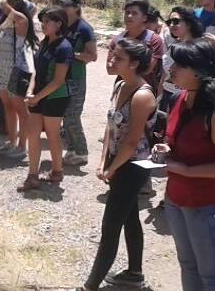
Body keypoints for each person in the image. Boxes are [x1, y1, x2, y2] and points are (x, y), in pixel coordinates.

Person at [155, 38, 215, 291]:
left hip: (208, 205)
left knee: (211, 273)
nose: (172, 69)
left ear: (198, 71)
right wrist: (166, 149)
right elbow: (180, 142)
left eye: (179, 65)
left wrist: (187, 170)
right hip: (177, 198)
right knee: (188, 265)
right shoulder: (181, 99)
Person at [81, 38, 158, 290]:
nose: (111, 60)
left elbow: (132, 140)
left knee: (111, 226)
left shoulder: (142, 96)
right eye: (113, 55)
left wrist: (112, 168)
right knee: (129, 216)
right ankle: (135, 274)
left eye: (119, 58)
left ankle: (89, 286)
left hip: (133, 165)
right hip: (118, 161)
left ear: (134, 64)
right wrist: (104, 159)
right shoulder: (121, 85)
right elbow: (111, 127)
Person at [18, 7, 75, 190]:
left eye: (47, 21)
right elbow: (35, 71)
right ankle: (32, 176)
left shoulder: (64, 47)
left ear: (59, 23)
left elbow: (58, 81)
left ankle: (57, 171)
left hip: (56, 97)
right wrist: (30, 91)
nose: (43, 25)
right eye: (41, 21)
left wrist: (37, 97)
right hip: (38, 96)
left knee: (52, 136)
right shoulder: (44, 43)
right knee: (32, 135)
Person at [0, 0, 38, 134]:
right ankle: (11, 141)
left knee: (19, 109)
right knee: (8, 107)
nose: (3, 6)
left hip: (17, 69)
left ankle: (22, 146)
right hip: (3, 67)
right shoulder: (4, 22)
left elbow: (3, 4)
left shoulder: (22, 20)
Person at [57, 0, 97, 166]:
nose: (62, 8)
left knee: (73, 115)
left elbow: (92, 55)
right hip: (60, 77)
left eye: (66, 5)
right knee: (64, 114)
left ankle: (82, 152)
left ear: (76, 8)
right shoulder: (61, 25)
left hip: (76, 77)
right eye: (60, 5)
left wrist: (72, 55)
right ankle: (72, 149)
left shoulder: (84, 29)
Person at [109, 0, 165, 92]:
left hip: (144, 90)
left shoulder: (154, 40)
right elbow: (110, 69)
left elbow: (147, 69)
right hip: (122, 88)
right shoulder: (118, 39)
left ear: (144, 18)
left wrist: (122, 67)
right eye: (127, 12)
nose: (129, 16)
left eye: (134, 13)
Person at [160, 7, 205, 114]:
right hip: (167, 95)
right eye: (169, 22)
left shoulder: (200, 48)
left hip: (188, 100)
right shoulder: (172, 46)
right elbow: (164, 76)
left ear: (189, 24)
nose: (171, 25)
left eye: (175, 21)